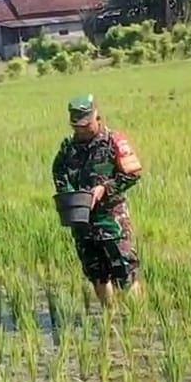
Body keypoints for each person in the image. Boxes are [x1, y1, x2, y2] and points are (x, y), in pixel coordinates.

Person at [51, 94, 143, 304]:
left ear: (96, 117)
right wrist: (68, 193)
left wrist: (105, 188)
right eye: (77, 126)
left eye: (86, 125)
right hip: (82, 220)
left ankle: (137, 319)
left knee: (125, 269)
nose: (82, 130)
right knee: (96, 272)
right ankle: (109, 315)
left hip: (111, 220)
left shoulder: (113, 141)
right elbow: (58, 170)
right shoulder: (68, 147)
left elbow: (133, 172)